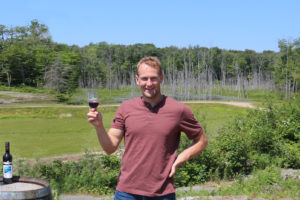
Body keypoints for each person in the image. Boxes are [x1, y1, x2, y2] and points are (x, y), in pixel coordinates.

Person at [87, 56, 208, 200]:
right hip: (127, 192)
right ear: (137, 80)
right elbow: (110, 147)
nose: (149, 84)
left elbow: (201, 140)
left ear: (161, 78)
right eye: (144, 79)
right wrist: (99, 127)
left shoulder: (179, 110)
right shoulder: (126, 108)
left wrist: (179, 159)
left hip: (162, 193)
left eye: (153, 78)